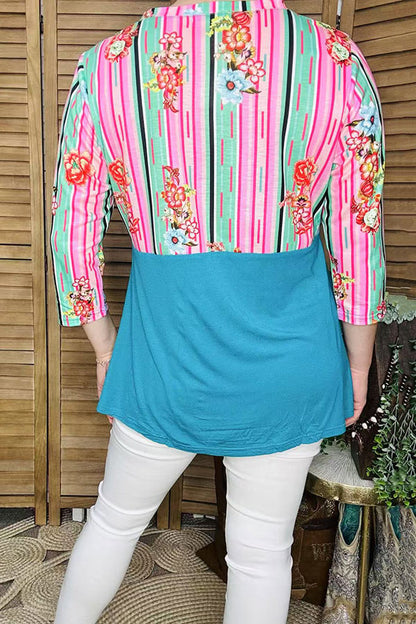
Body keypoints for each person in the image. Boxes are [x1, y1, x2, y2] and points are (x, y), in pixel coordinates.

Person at [50, 0, 386, 621]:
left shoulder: (106, 66)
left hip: (162, 357)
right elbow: (359, 235)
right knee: (261, 554)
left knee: (114, 520)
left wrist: (105, 348)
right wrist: (358, 362)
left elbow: (72, 236)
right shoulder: (335, 58)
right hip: (290, 360)